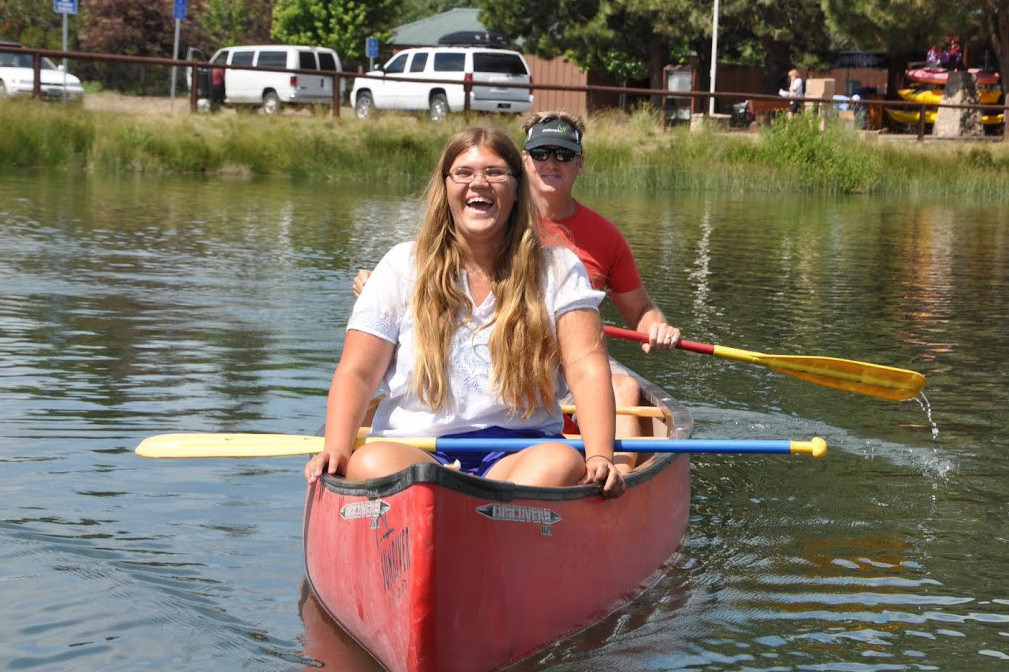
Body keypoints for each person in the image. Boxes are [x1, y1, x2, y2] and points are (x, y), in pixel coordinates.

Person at [354, 111, 682, 474]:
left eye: (563, 154)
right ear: (524, 163)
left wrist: (656, 326)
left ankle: (612, 481)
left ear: (580, 164)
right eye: (541, 153)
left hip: (559, 354)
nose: (551, 163)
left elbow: (639, 310)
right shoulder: (478, 218)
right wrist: (378, 287)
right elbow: (415, 277)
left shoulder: (601, 238)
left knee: (621, 385)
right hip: (479, 371)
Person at [307, 127, 624, 498]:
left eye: (495, 172)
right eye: (464, 172)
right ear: (445, 186)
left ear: (517, 188)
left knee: (561, 462)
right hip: (417, 450)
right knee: (368, 465)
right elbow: (358, 373)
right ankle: (471, 509)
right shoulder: (400, 265)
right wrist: (336, 449)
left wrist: (601, 453)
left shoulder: (558, 268)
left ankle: (483, 515)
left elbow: (587, 369)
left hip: (521, 452)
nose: (479, 183)